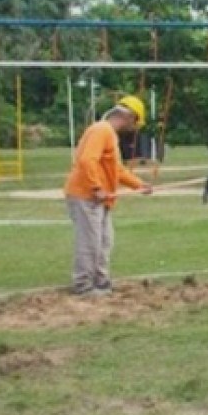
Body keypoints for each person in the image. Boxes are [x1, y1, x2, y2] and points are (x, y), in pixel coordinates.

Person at [62, 94, 156, 296]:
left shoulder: (109, 134)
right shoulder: (101, 130)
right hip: (86, 196)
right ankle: (83, 285)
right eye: (136, 123)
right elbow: (87, 160)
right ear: (130, 117)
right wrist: (96, 187)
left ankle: (101, 282)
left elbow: (117, 170)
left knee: (105, 241)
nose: (134, 128)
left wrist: (139, 185)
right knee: (90, 241)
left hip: (101, 199)